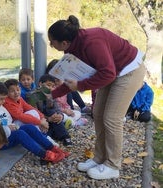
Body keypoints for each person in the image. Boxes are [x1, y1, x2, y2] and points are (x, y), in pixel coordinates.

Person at [47, 15, 146, 179]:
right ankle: (100, 158)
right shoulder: (72, 48)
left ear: (64, 42)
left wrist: (80, 86)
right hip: (112, 72)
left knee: (112, 118)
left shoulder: (92, 42)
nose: (51, 44)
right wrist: (53, 95)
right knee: (98, 114)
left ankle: (113, 165)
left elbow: (107, 73)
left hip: (129, 71)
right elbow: (72, 77)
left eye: (52, 42)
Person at [0, 81, 68, 163]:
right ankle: (44, 155)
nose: (4, 101)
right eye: (1, 99)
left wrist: (12, 126)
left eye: (4, 98)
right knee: (20, 134)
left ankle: (52, 148)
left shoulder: (1, 107)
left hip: (8, 134)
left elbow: (8, 121)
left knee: (29, 127)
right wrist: (7, 127)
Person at [26, 75, 74, 147]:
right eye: (48, 85)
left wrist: (60, 115)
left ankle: (65, 136)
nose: (50, 88)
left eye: (53, 86)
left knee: (53, 112)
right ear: (40, 84)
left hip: (50, 119)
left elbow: (57, 108)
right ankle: (58, 135)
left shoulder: (51, 94)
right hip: (40, 120)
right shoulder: (32, 95)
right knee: (51, 116)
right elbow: (35, 113)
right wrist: (48, 119)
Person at [46, 59, 88, 128]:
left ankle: (74, 118)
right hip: (60, 111)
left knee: (78, 113)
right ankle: (74, 123)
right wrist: (65, 110)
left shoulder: (63, 81)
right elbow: (55, 105)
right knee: (64, 116)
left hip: (67, 108)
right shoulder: (51, 87)